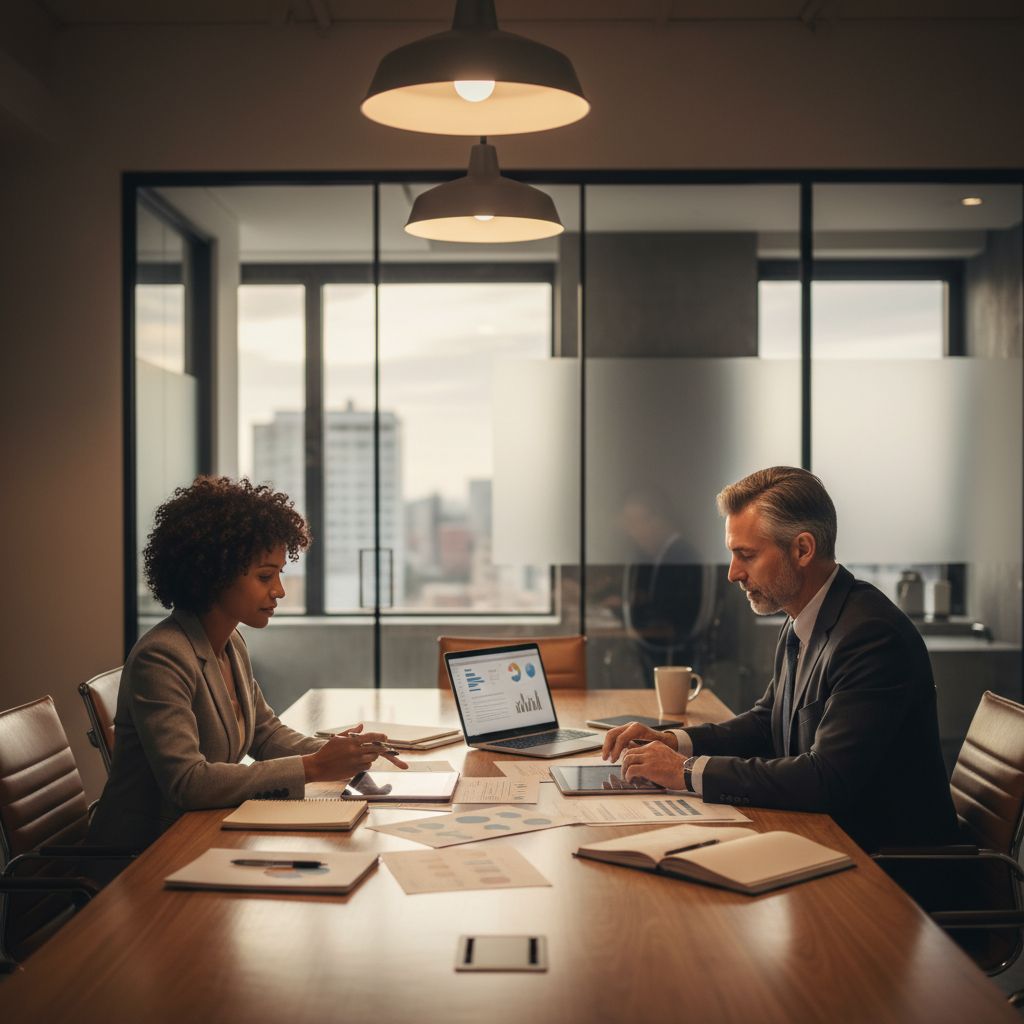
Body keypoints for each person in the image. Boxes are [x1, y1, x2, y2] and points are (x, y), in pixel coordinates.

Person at [602, 466, 958, 852]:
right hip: (825, 837)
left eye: (747, 555)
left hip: (889, 867)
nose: (733, 573)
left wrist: (685, 772)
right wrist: (674, 741)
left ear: (802, 549)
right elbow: (767, 724)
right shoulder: (803, 617)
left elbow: (827, 779)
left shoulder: (871, 636)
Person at [89, 476, 406, 851]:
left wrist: (339, 754)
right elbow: (188, 783)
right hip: (145, 855)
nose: (279, 591)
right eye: (264, 576)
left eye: (278, 574)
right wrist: (315, 767)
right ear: (214, 573)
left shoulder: (230, 643)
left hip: (201, 834)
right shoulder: (163, 656)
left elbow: (264, 734)